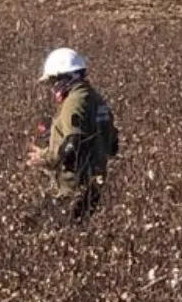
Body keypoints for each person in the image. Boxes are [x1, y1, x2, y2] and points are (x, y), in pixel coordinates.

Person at [26, 47, 119, 219]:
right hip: (95, 187)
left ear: (64, 78)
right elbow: (113, 146)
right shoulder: (98, 100)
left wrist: (47, 158)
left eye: (53, 81)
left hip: (72, 188)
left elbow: (72, 145)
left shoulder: (73, 102)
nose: (53, 88)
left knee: (37, 225)